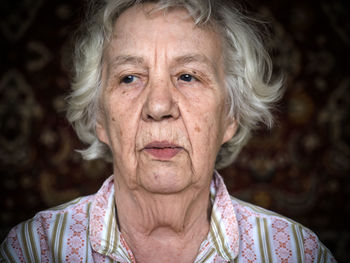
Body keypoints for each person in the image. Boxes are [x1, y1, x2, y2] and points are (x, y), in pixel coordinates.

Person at [0, 0, 336, 262]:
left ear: (230, 117)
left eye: (188, 76)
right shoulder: (34, 249)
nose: (158, 106)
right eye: (129, 77)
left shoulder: (294, 253)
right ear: (99, 117)